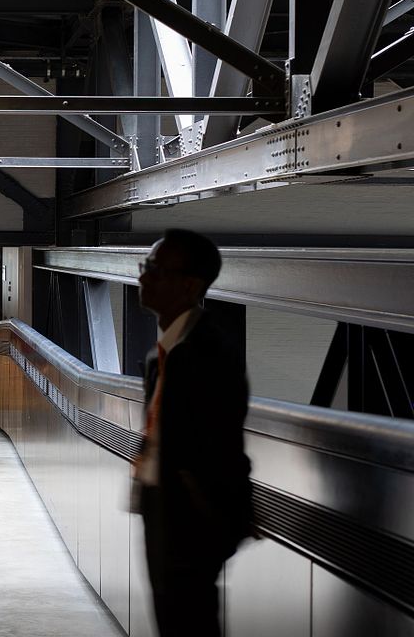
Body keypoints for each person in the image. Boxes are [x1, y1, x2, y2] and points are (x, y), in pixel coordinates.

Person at [133, 229, 252, 637]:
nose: (142, 278)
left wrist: (215, 520)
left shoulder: (208, 352)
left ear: (189, 285)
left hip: (190, 516)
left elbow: (220, 443)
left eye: (154, 269)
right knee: (173, 619)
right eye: (144, 267)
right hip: (162, 506)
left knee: (190, 622)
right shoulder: (163, 352)